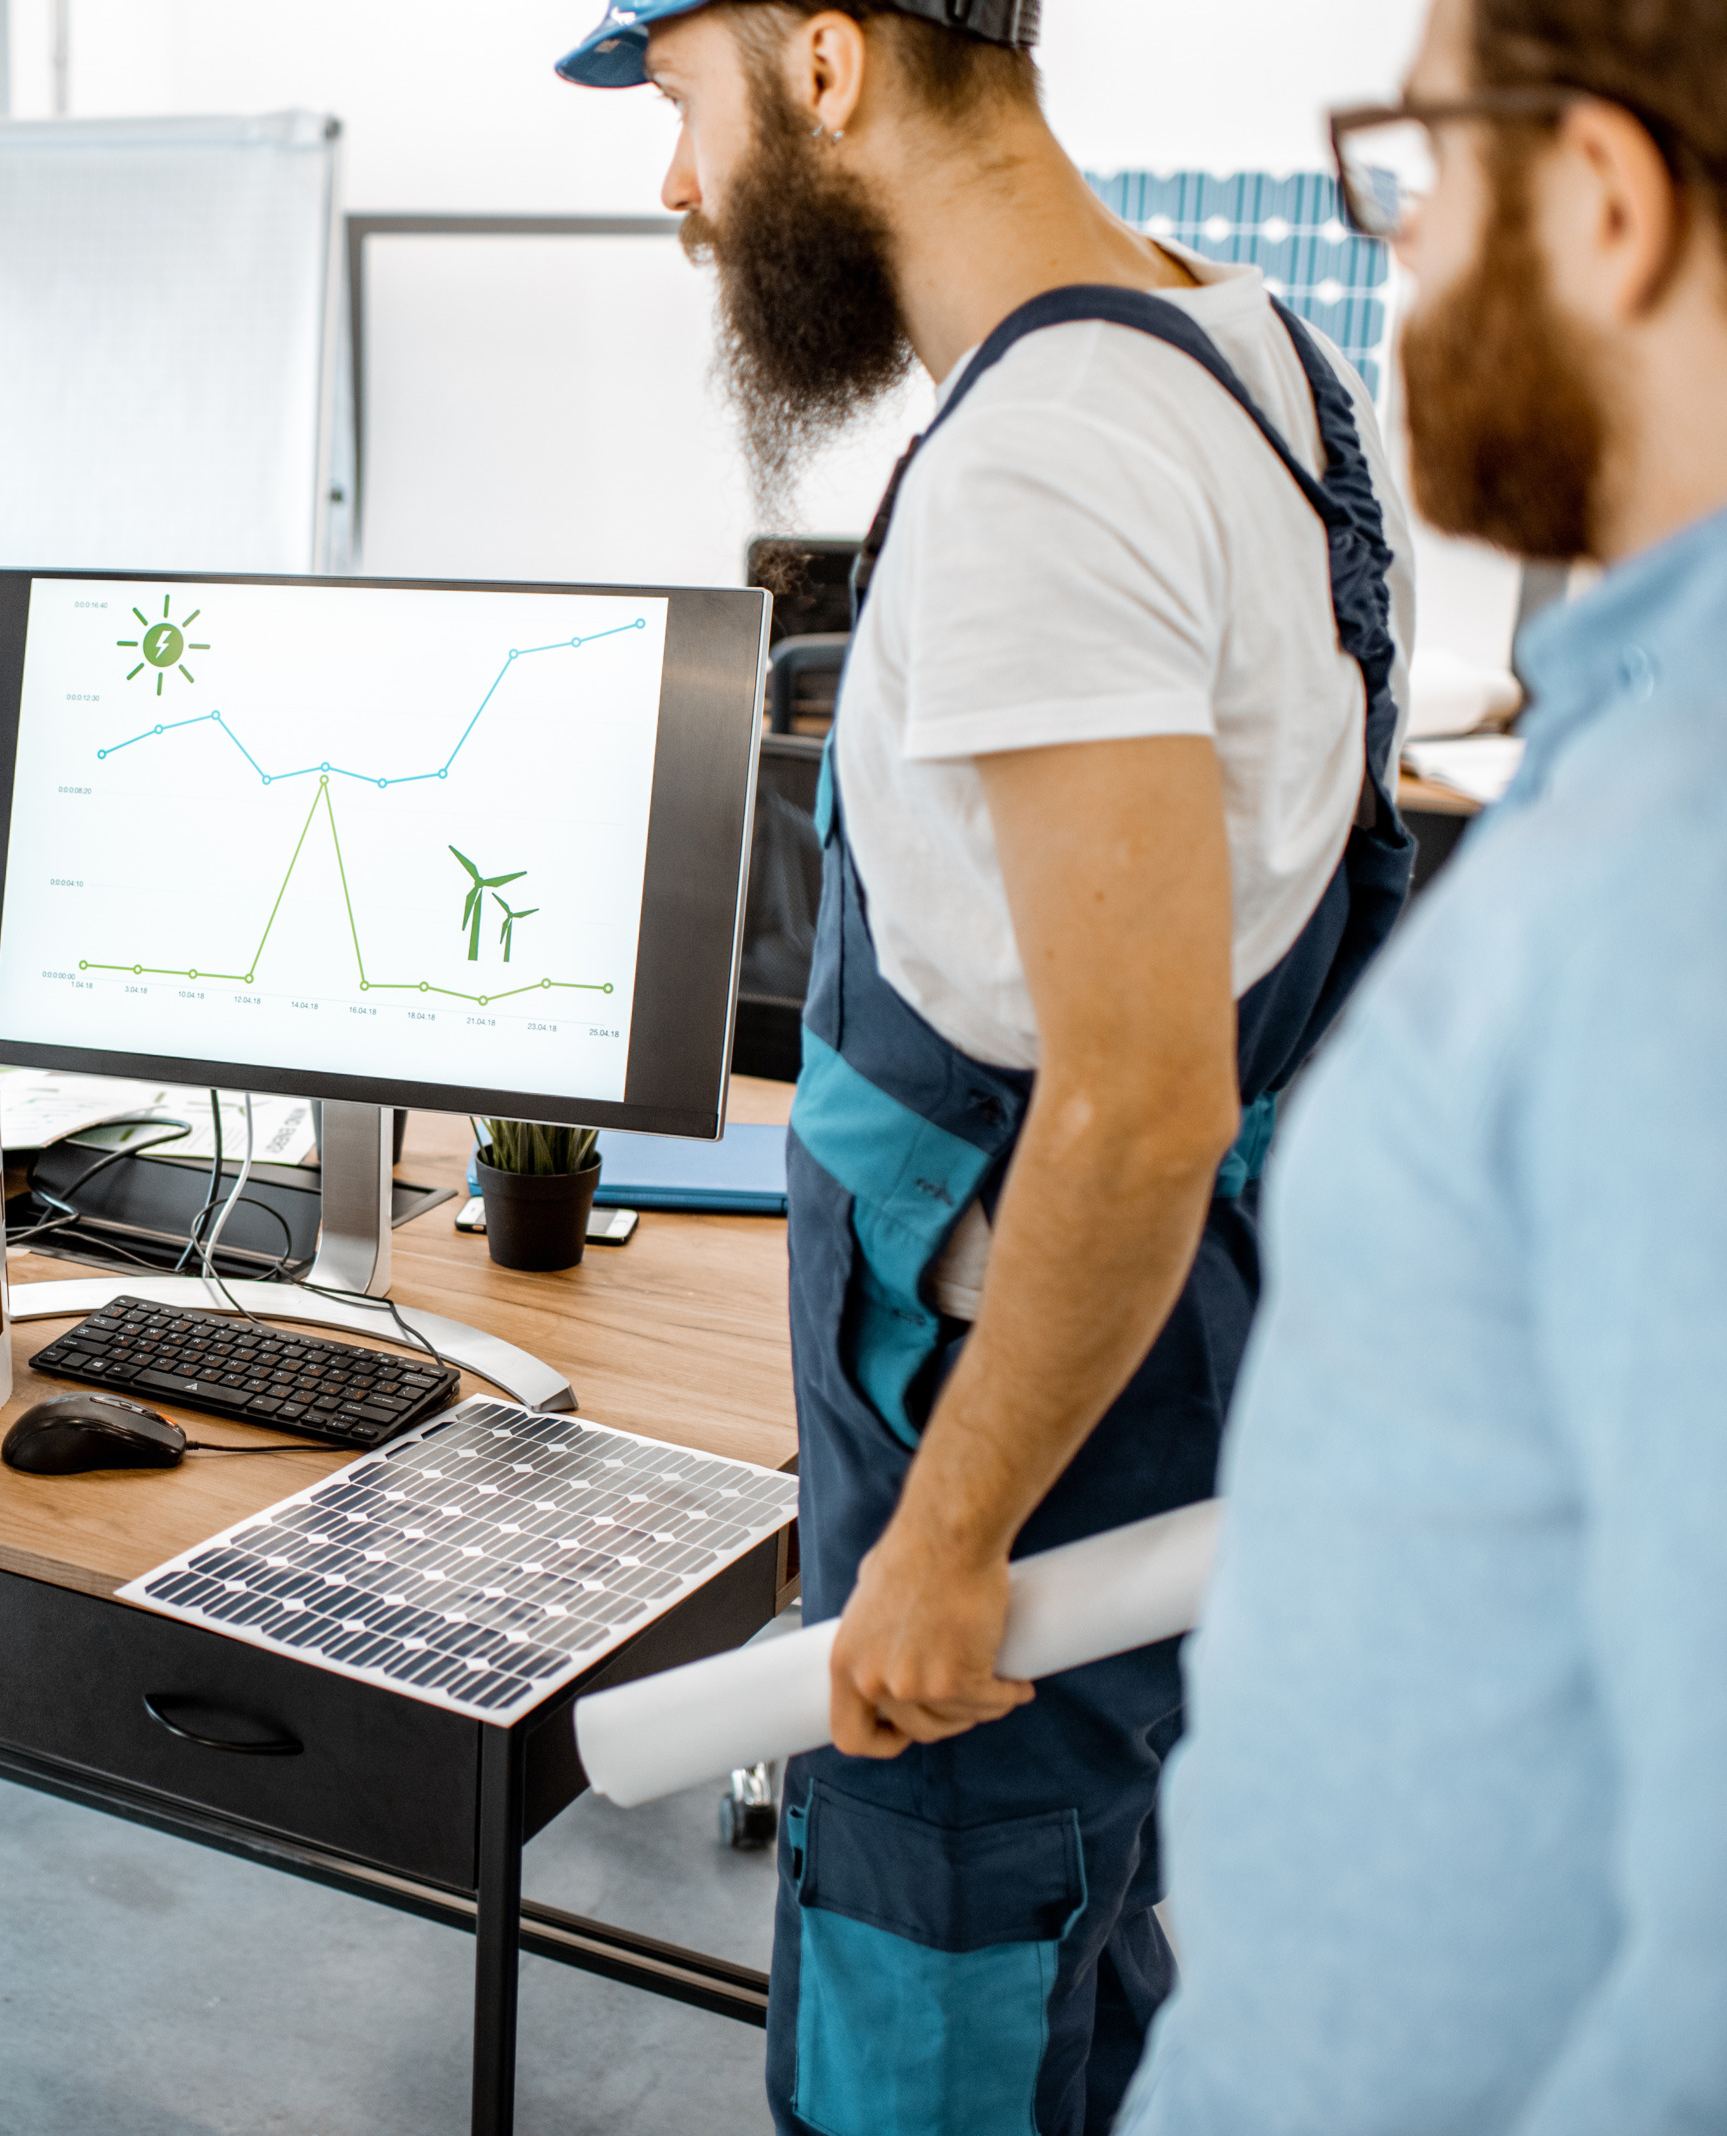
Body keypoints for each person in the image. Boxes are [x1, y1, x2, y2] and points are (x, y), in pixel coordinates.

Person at [552, 3, 1416, 2129]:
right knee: (1074, 1953)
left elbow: (1136, 1095)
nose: (676, 192)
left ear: (824, 64)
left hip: (1010, 1439)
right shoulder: (1259, 356)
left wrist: (943, 1545)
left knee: (928, 2017)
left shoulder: (1039, 463)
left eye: (685, 110)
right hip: (1163, 1381)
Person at [1121, 0, 1727, 2126]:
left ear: (1599, 197)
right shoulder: (1631, 763)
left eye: (1418, 173)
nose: (1396, 250)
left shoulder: (1677, 892)